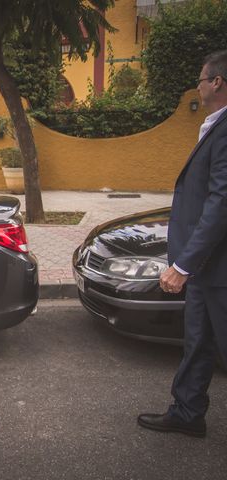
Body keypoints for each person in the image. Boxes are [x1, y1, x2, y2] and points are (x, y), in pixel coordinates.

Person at [138, 50, 227, 438]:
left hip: (217, 268)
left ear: (217, 82)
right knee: (198, 345)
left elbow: (221, 201)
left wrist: (184, 264)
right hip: (205, 270)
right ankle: (188, 412)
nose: (198, 84)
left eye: (201, 78)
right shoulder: (213, 126)